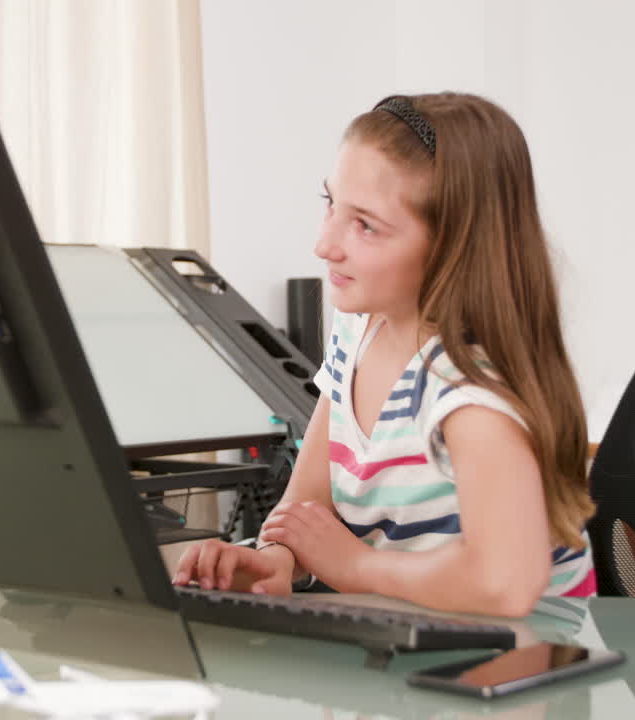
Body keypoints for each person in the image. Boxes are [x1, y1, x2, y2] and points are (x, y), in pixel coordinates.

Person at [172, 93, 596, 617]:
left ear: (453, 246)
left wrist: (356, 567)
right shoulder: (357, 330)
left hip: (530, 665)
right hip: (417, 647)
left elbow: (504, 586)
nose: (324, 244)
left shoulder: (471, 396)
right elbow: (307, 505)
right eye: (330, 203)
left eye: (365, 225)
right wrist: (273, 558)